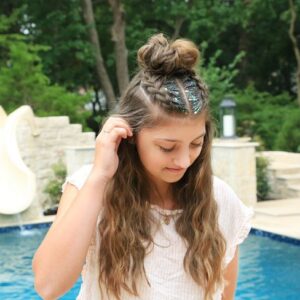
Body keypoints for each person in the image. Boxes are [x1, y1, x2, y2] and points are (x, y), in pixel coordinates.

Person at [32, 33, 253, 300]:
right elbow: (48, 285)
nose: (183, 161)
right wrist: (100, 176)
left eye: (196, 143)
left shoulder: (221, 199)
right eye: (167, 147)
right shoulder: (89, 187)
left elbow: (224, 295)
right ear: (131, 135)